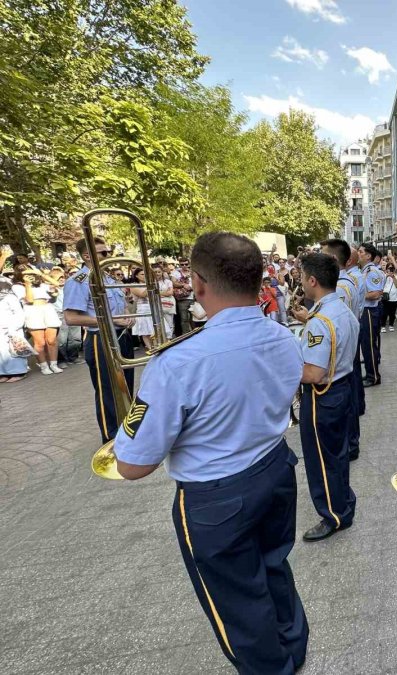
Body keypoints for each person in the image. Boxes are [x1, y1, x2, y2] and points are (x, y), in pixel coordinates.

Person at [110, 232, 309, 674]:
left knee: (235, 600)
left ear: (198, 284)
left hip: (215, 496)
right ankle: (293, 646)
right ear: (259, 279)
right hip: (275, 468)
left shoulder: (177, 361)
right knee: (274, 564)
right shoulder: (283, 337)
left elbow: (133, 465)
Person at [294, 253, 360, 542]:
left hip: (323, 394)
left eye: (301, 277)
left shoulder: (320, 320)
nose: (300, 283)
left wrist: (283, 367)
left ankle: (334, 515)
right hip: (342, 387)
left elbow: (313, 373)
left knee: (321, 459)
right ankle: (344, 502)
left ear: (312, 280)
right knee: (337, 454)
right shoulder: (341, 309)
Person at [63, 236, 135, 443]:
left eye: (108, 251)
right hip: (100, 338)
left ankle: (127, 434)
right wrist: (111, 320)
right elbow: (71, 317)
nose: (109, 255)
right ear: (87, 256)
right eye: (103, 253)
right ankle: (110, 440)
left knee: (125, 387)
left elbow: (120, 307)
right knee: (108, 391)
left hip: (121, 336)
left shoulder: (109, 278)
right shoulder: (79, 281)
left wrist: (127, 317)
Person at [320, 238, 364, 462]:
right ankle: (350, 443)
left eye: (322, 254)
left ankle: (351, 445)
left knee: (347, 401)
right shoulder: (342, 283)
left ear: (332, 259)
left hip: (343, 350)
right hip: (346, 348)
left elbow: (337, 325)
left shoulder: (341, 287)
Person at [12, 265, 62, 374]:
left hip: (48, 309)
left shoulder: (42, 285)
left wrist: (41, 274)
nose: (29, 275)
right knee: (40, 342)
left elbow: (57, 284)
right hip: (32, 311)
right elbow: (29, 300)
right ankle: (44, 366)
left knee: (52, 340)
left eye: (30, 273)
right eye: (25, 273)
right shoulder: (17, 287)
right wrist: (27, 284)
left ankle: (54, 364)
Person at [0, 247, 30, 382]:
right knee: (2, 350)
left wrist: (14, 327)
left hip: (11, 326)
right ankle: (3, 372)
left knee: (14, 347)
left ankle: (19, 371)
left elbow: (18, 312)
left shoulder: (9, 296)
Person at [358, 243, 384, 387]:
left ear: (368, 256)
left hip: (369, 311)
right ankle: (370, 373)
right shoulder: (365, 270)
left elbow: (375, 294)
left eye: (361, 252)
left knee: (369, 345)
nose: (358, 254)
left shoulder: (372, 271)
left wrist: (356, 295)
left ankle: (373, 376)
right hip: (365, 310)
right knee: (366, 345)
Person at [381, 264, 397, 331]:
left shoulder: (396, 276)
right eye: (389, 268)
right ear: (386, 269)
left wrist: (393, 277)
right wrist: (386, 276)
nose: (390, 270)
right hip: (385, 296)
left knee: (392, 312)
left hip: (394, 297)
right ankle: (383, 326)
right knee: (384, 312)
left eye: (391, 269)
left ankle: (391, 325)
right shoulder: (383, 276)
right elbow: (380, 284)